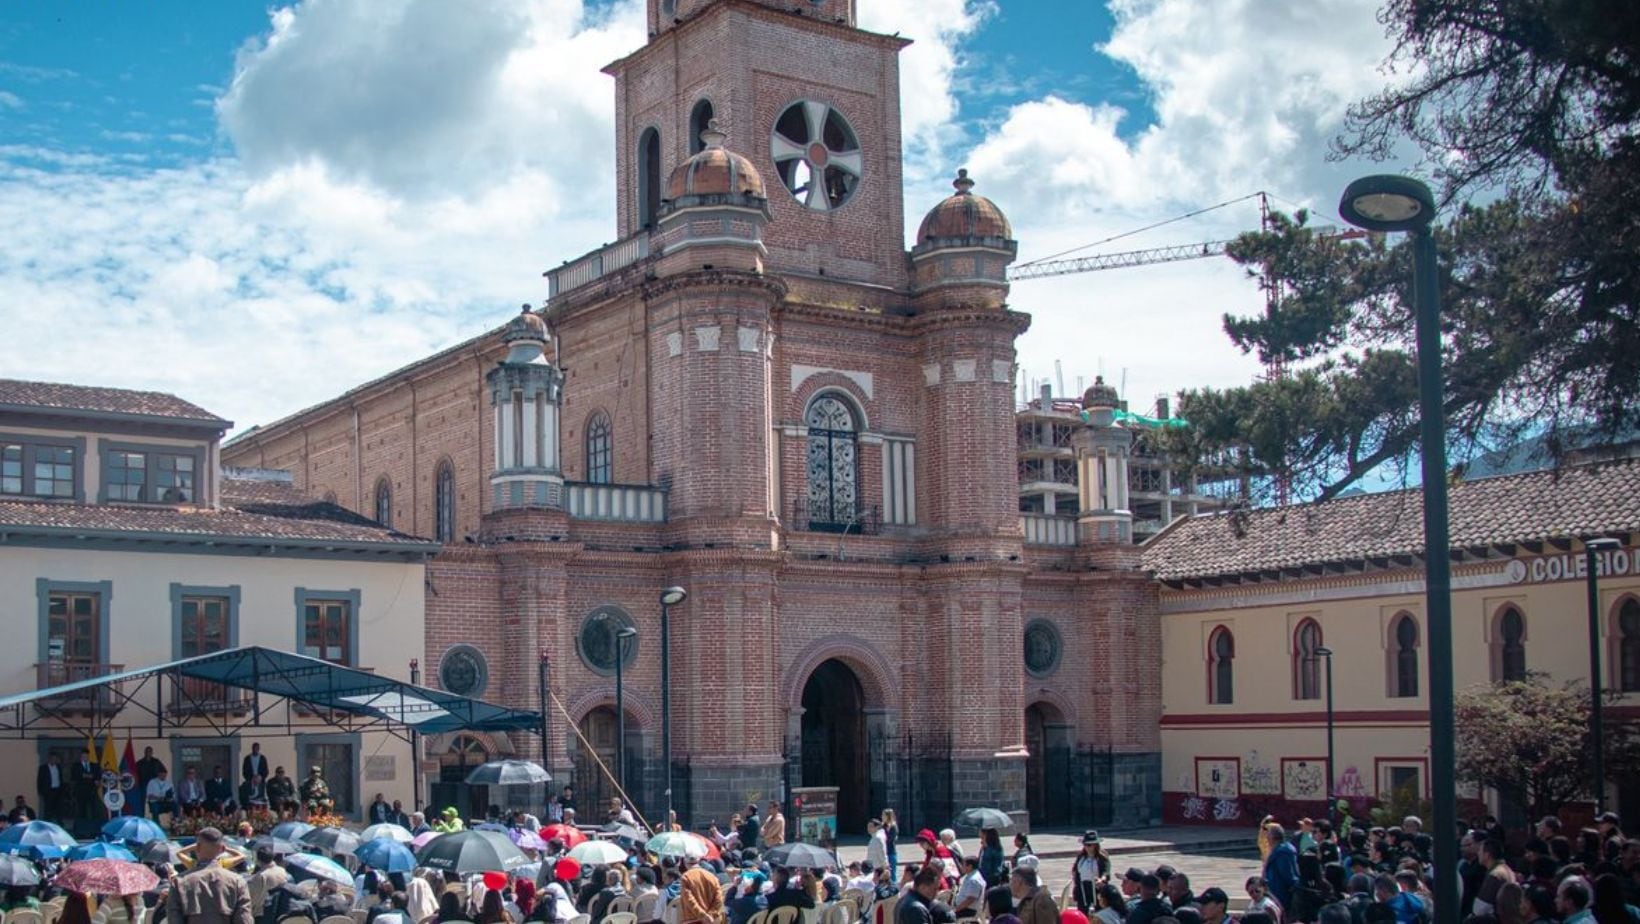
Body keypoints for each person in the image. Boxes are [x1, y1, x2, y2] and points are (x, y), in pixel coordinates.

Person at [166, 828, 253, 924]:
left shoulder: (180, 882)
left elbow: (174, 920)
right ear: (223, 849)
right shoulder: (237, 882)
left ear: (197, 848)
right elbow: (244, 920)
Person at [1264, 825, 1301, 913]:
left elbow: (1288, 875)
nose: (1266, 837)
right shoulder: (1277, 851)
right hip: (1275, 894)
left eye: (1268, 834)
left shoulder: (1282, 853)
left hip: (1282, 895)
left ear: (1273, 837)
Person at [246, 847, 288, 921]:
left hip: (262, 913)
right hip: (279, 910)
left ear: (258, 860)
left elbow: (252, 898)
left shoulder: (261, 876)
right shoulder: (282, 870)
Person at [1072, 832, 1110, 914]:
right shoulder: (1081, 857)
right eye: (1085, 845)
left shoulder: (1101, 858)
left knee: (1098, 910)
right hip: (1083, 887)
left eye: (1089, 845)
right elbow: (1075, 870)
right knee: (1083, 910)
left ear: (1095, 845)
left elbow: (1106, 871)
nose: (1087, 847)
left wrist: (1102, 879)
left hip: (1096, 887)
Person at [71, 749, 100, 826]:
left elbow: (97, 776)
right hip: (81, 792)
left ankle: (93, 828)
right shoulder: (76, 766)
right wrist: (85, 776)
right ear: (81, 757)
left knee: (93, 810)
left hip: (92, 792)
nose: (85, 758)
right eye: (83, 756)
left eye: (86, 756)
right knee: (81, 811)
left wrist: (94, 779)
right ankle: (82, 828)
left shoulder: (94, 766)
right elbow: (73, 777)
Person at [37, 753, 66, 822]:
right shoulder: (43, 768)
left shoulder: (58, 767)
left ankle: (59, 823)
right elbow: (39, 780)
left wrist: (62, 789)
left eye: (55, 759)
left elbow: (60, 778)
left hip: (58, 790)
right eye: (52, 759)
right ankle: (47, 822)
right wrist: (40, 791)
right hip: (48, 791)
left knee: (58, 808)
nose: (54, 760)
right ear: (49, 759)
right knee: (48, 808)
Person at [883, 809, 901, 875]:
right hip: (883, 852)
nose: (882, 817)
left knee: (892, 873)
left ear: (888, 816)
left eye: (884, 815)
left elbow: (890, 839)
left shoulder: (893, 827)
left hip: (890, 852)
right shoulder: (883, 826)